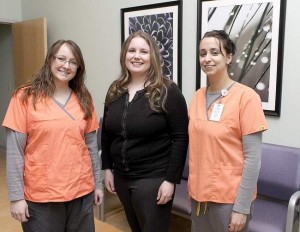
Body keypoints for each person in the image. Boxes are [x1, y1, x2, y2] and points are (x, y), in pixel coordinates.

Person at [2, 39, 103, 232]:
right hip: (42, 195)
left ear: (78, 67)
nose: (66, 65)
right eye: (61, 58)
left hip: (81, 191)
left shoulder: (83, 98)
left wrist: (97, 184)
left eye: (73, 62)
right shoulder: (24, 97)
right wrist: (16, 197)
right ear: (50, 60)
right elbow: (15, 152)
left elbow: (91, 147)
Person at [101, 30, 189, 232]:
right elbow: (106, 133)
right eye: (131, 50)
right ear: (124, 55)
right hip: (122, 177)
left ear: (153, 57)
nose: (136, 56)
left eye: (143, 51)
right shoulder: (115, 89)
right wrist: (107, 168)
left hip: (153, 179)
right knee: (135, 227)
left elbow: (180, 138)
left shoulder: (167, 91)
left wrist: (170, 181)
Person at [188, 30, 268, 232]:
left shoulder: (246, 98)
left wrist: (242, 208)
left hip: (229, 200)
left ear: (229, 57)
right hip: (198, 195)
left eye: (215, 52)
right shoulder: (197, 97)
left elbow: (253, 159)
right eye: (202, 53)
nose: (207, 59)